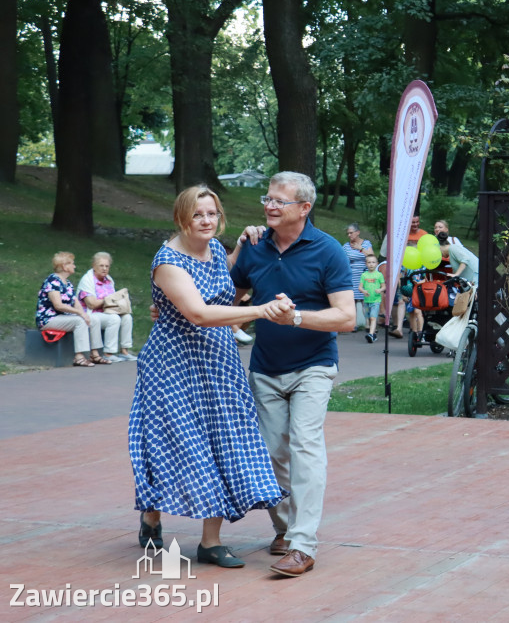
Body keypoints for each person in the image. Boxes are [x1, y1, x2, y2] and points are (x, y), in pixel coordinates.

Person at [130, 185, 287, 569]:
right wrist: (262, 311)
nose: (206, 221)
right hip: (173, 364)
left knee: (219, 442)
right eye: (198, 214)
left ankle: (211, 543)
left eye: (212, 214)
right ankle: (152, 512)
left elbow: (222, 282)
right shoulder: (168, 262)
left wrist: (243, 245)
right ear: (182, 217)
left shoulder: (216, 249)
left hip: (217, 362)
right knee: (178, 442)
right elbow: (199, 313)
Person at [231, 171, 356, 578]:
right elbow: (226, 296)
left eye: (279, 201)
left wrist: (297, 317)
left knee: (305, 445)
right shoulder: (254, 246)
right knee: (270, 455)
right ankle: (284, 529)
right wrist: (235, 249)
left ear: (304, 208)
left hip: (314, 366)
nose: (269, 205)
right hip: (265, 367)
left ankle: (303, 545)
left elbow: (347, 317)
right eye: (267, 198)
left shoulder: (328, 251)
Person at [36, 252, 105, 367]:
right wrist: (79, 314)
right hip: (48, 319)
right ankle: (79, 357)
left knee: (94, 319)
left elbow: (76, 302)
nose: (75, 266)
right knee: (80, 321)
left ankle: (95, 353)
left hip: (63, 317)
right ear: (64, 266)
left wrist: (84, 314)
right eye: (72, 264)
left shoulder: (67, 283)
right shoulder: (53, 281)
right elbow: (58, 305)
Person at [78, 251, 136, 362]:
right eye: (101, 266)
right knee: (114, 319)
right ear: (94, 266)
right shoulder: (87, 280)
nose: (104, 268)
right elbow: (91, 304)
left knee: (127, 317)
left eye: (107, 266)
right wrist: (107, 299)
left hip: (107, 311)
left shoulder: (109, 280)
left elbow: (112, 300)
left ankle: (125, 351)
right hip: (92, 313)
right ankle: (108, 353)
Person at [343, 223, 374, 330]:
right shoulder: (346, 246)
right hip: (352, 275)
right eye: (348, 233)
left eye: (351, 233)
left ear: (358, 232)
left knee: (366, 299)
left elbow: (372, 257)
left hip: (365, 275)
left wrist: (360, 249)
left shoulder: (366, 244)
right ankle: (354, 324)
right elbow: (342, 261)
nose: (349, 235)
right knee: (353, 300)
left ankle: (368, 324)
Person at [359, 254, 385, 342]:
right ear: (366, 264)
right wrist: (363, 291)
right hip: (367, 300)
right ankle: (373, 334)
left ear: (377, 263)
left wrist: (380, 289)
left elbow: (384, 286)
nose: (371, 264)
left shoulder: (379, 275)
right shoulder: (364, 275)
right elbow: (360, 287)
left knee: (373, 317)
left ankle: (370, 334)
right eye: (369, 262)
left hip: (376, 300)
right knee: (369, 318)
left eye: (373, 262)